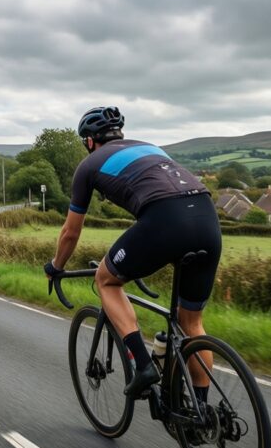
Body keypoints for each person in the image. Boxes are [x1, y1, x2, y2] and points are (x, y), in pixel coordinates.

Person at [45, 106, 222, 399]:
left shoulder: (88, 166)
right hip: (207, 217)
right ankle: (202, 413)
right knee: (192, 323)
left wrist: (55, 266)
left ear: (89, 142)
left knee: (106, 279)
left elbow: (70, 232)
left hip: (165, 220)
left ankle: (143, 366)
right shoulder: (150, 148)